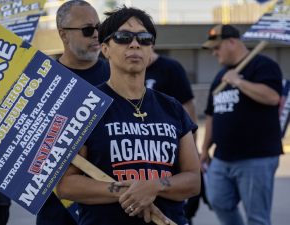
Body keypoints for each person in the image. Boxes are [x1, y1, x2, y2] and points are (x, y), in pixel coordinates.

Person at [56, 5, 200, 225]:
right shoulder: (87, 107)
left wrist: (154, 186)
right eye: (123, 37)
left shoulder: (172, 107)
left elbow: (192, 180)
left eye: (144, 38)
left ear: (151, 49)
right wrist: (132, 192)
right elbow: (66, 185)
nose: (135, 44)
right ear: (105, 49)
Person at [200, 24, 283, 225]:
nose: (214, 53)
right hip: (222, 157)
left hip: (256, 157)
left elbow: (272, 97)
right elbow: (212, 115)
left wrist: (239, 82)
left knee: (256, 217)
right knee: (218, 202)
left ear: (231, 42)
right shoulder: (221, 76)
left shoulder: (262, 65)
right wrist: (205, 149)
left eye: (217, 47)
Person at [37, 1, 110, 225]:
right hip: (57, 210)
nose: (97, 35)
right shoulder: (41, 81)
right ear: (64, 35)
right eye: (88, 30)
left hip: (110, 209)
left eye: (100, 28)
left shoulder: (117, 75)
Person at [145, 52, 200, 224]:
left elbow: (187, 107)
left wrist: (193, 149)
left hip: (168, 154)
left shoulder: (170, 68)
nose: (134, 44)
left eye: (143, 38)